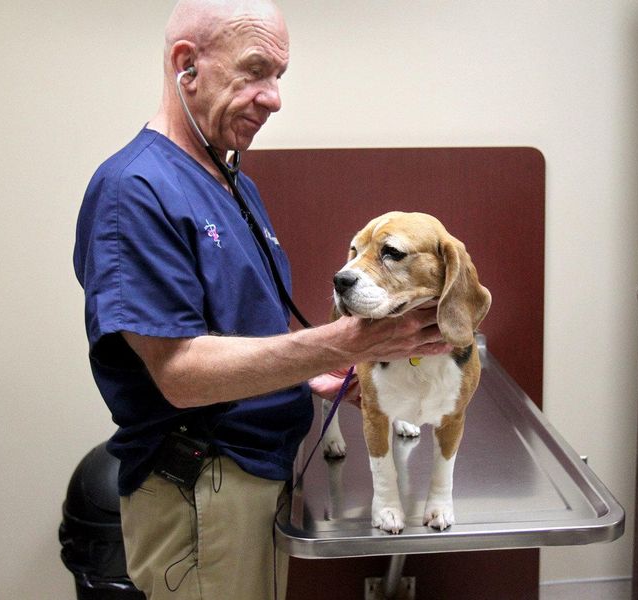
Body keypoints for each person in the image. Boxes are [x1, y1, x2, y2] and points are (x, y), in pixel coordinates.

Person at [73, 1, 450, 598]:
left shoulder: (232, 183)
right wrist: (345, 343)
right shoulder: (135, 189)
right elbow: (180, 375)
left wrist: (309, 373)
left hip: (254, 476)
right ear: (186, 65)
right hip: (204, 489)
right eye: (254, 71)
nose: (273, 98)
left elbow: (238, 327)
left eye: (278, 76)